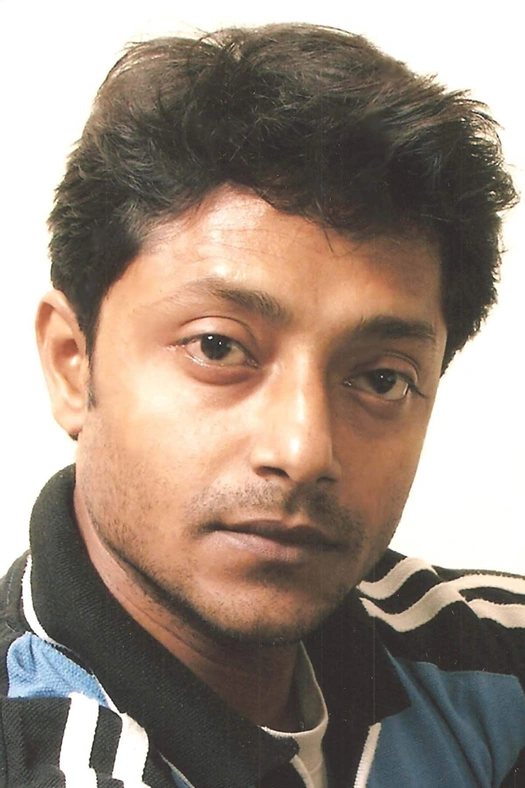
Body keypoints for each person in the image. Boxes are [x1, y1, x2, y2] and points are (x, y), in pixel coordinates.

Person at [0, 21, 523, 788]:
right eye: (217, 346)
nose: (303, 449)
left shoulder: (489, 661)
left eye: (381, 379)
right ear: (72, 363)